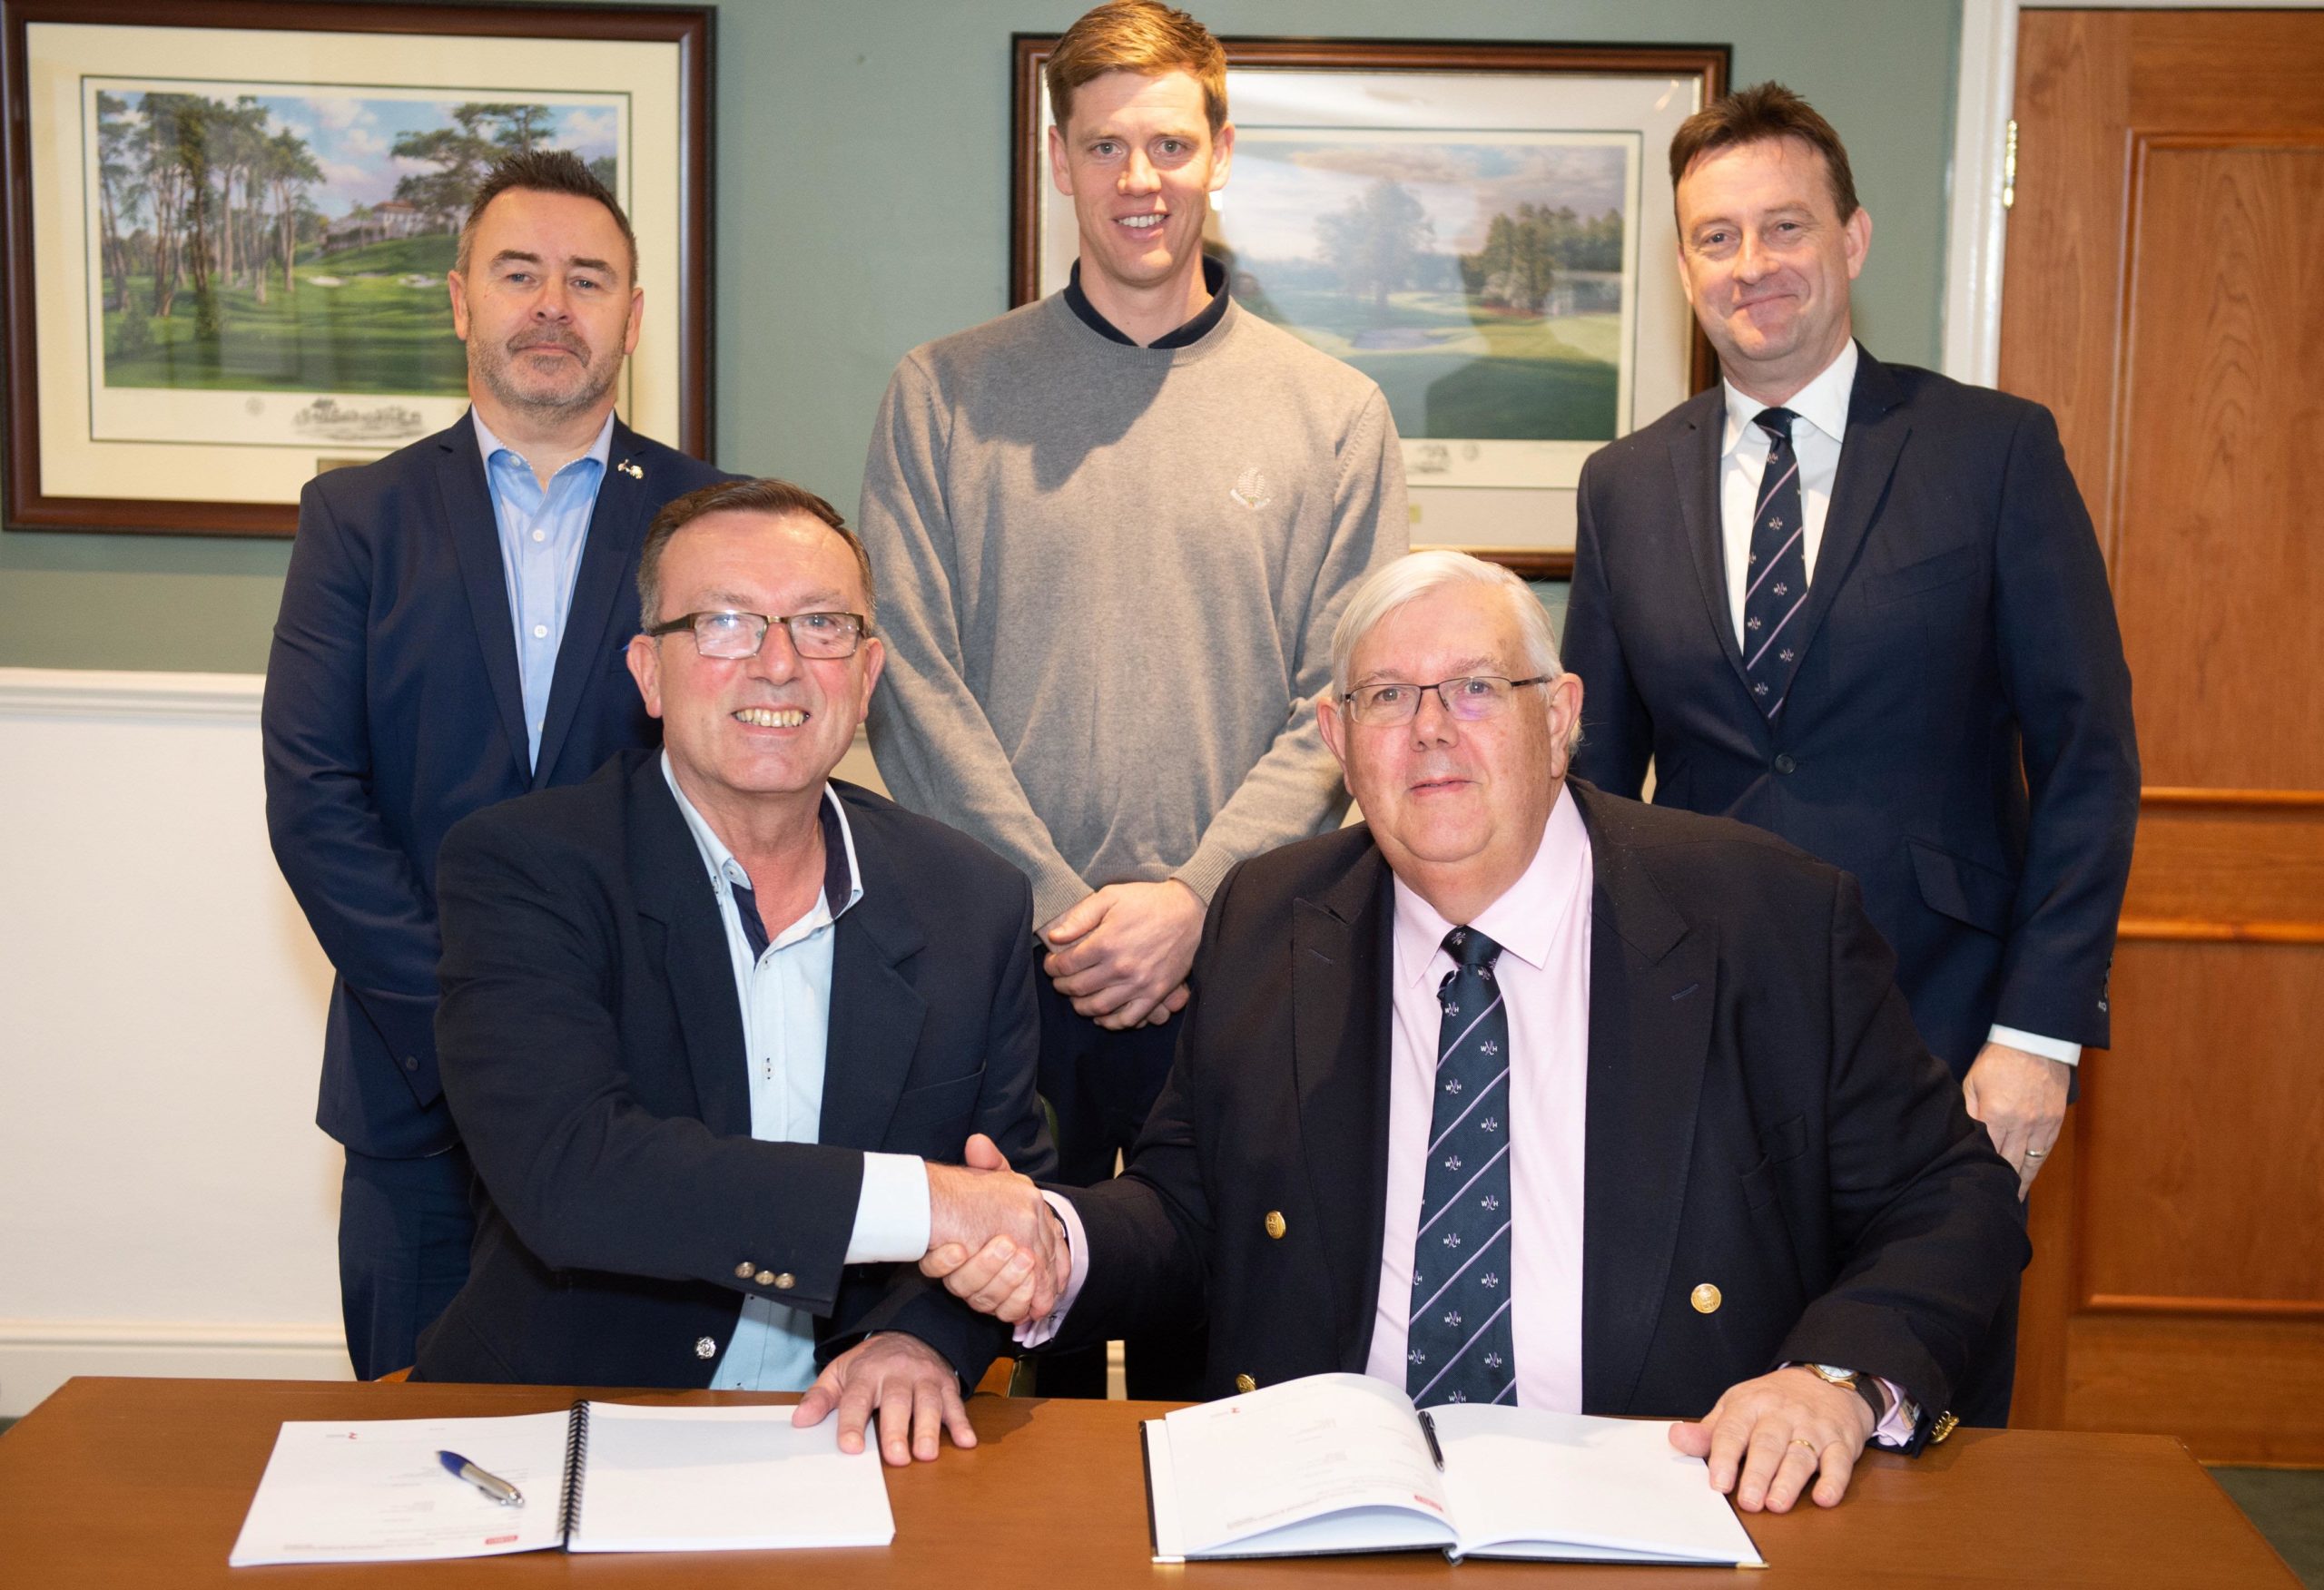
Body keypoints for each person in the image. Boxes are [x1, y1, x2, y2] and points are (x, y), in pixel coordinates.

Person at [930, 551, 2026, 1514]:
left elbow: (1949, 1196)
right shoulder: (1271, 918)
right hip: (1331, 1504)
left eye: (1475, 688)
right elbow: (1187, 1207)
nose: (1430, 730)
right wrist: (1056, 1242)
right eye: (1387, 697)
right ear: (1337, 741)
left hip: (1670, 1493)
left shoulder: (1761, 917)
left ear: (1559, 718)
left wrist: (1834, 1379)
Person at [1558, 85, 2138, 1421]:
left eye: (1785, 227)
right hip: (1693, 1038)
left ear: (1853, 239)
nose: (1751, 265)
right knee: (1698, 1410)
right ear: (1685, 265)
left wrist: (2038, 1036)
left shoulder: (1992, 451)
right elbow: (1591, 787)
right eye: (1715, 238)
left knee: (1916, 1403)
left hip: (1943, 1033)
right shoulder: (1624, 484)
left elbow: (2089, 759)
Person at [856, 0, 1406, 1396]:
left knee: (1221, 1346)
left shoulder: (1333, 414)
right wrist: (1057, 909)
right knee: (983, 1344)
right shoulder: (943, 395)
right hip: (1001, 963)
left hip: (1240, 960)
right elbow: (906, 673)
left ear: (1222, 151)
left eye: (1169, 143)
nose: (1139, 178)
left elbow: (1344, 696)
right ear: (1059, 161)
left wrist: (1194, 902)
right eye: (1105, 146)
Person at [415, 479, 1062, 1467]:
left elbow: (1008, 1189)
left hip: (848, 1445)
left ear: (868, 673)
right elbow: (574, 1174)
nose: (778, 663)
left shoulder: (970, 900)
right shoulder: (526, 869)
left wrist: (922, 1337)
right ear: (649, 673)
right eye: (724, 623)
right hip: (565, 1427)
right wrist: (926, 1202)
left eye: (821, 625)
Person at [261, 149, 733, 1379]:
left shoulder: (715, 525)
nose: (552, 306)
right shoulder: (357, 519)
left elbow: (744, 795)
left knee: (642, 1446)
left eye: (588, 280)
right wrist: (472, 1029)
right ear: (461, 300)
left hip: (647, 1099)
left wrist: (581, 1049)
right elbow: (314, 801)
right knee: (411, 1445)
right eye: (519, 273)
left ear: (633, 316)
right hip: (414, 1092)